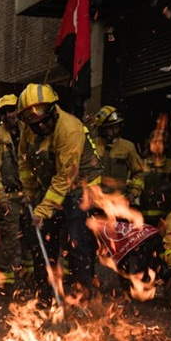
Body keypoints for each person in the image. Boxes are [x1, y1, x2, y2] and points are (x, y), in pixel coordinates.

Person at [18, 83, 102, 291]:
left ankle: (82, 295)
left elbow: (66, 175)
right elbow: (25, 162)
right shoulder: (28, 132)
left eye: (44, 121)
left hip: (80, 187)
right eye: (35, 124)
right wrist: (29, 192)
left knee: (77, 242)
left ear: (53, 110)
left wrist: (43, 209)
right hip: (52, 188)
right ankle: (44, 294)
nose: (41, 127)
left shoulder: (70, 128)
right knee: (42, 241)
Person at [0, 94, 28, 288]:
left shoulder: (28, 130)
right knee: (9, 240)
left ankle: (31, 278)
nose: (10, 114)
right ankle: (4, 282)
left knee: (32, 237)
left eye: (13, 109)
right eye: (6, 111)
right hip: (8, 196)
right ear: (1, 115)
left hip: (29, 194)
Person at [90, 105, 146, 201]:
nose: (115, 131)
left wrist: (133, 193)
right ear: (102, 129)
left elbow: (139, 173)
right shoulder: (92, 145)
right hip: (95, 201)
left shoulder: (127, 147)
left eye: (117, 127)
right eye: (110, 128)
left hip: (119, 202)